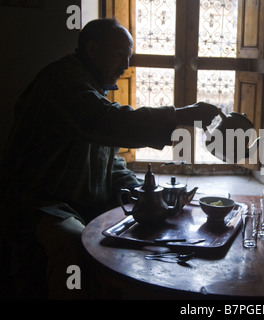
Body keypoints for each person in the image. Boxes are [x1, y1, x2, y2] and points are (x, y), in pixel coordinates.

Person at [0, 18, 219, 299]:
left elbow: (109, 161)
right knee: (71, 241)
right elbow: (108, 122)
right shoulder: (61, 83)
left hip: (79, 201)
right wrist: (180, 114)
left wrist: (143, 192)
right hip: (39, 203)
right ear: (92, 49)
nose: (126, 66)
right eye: (120, 55)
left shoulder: (92, 87)